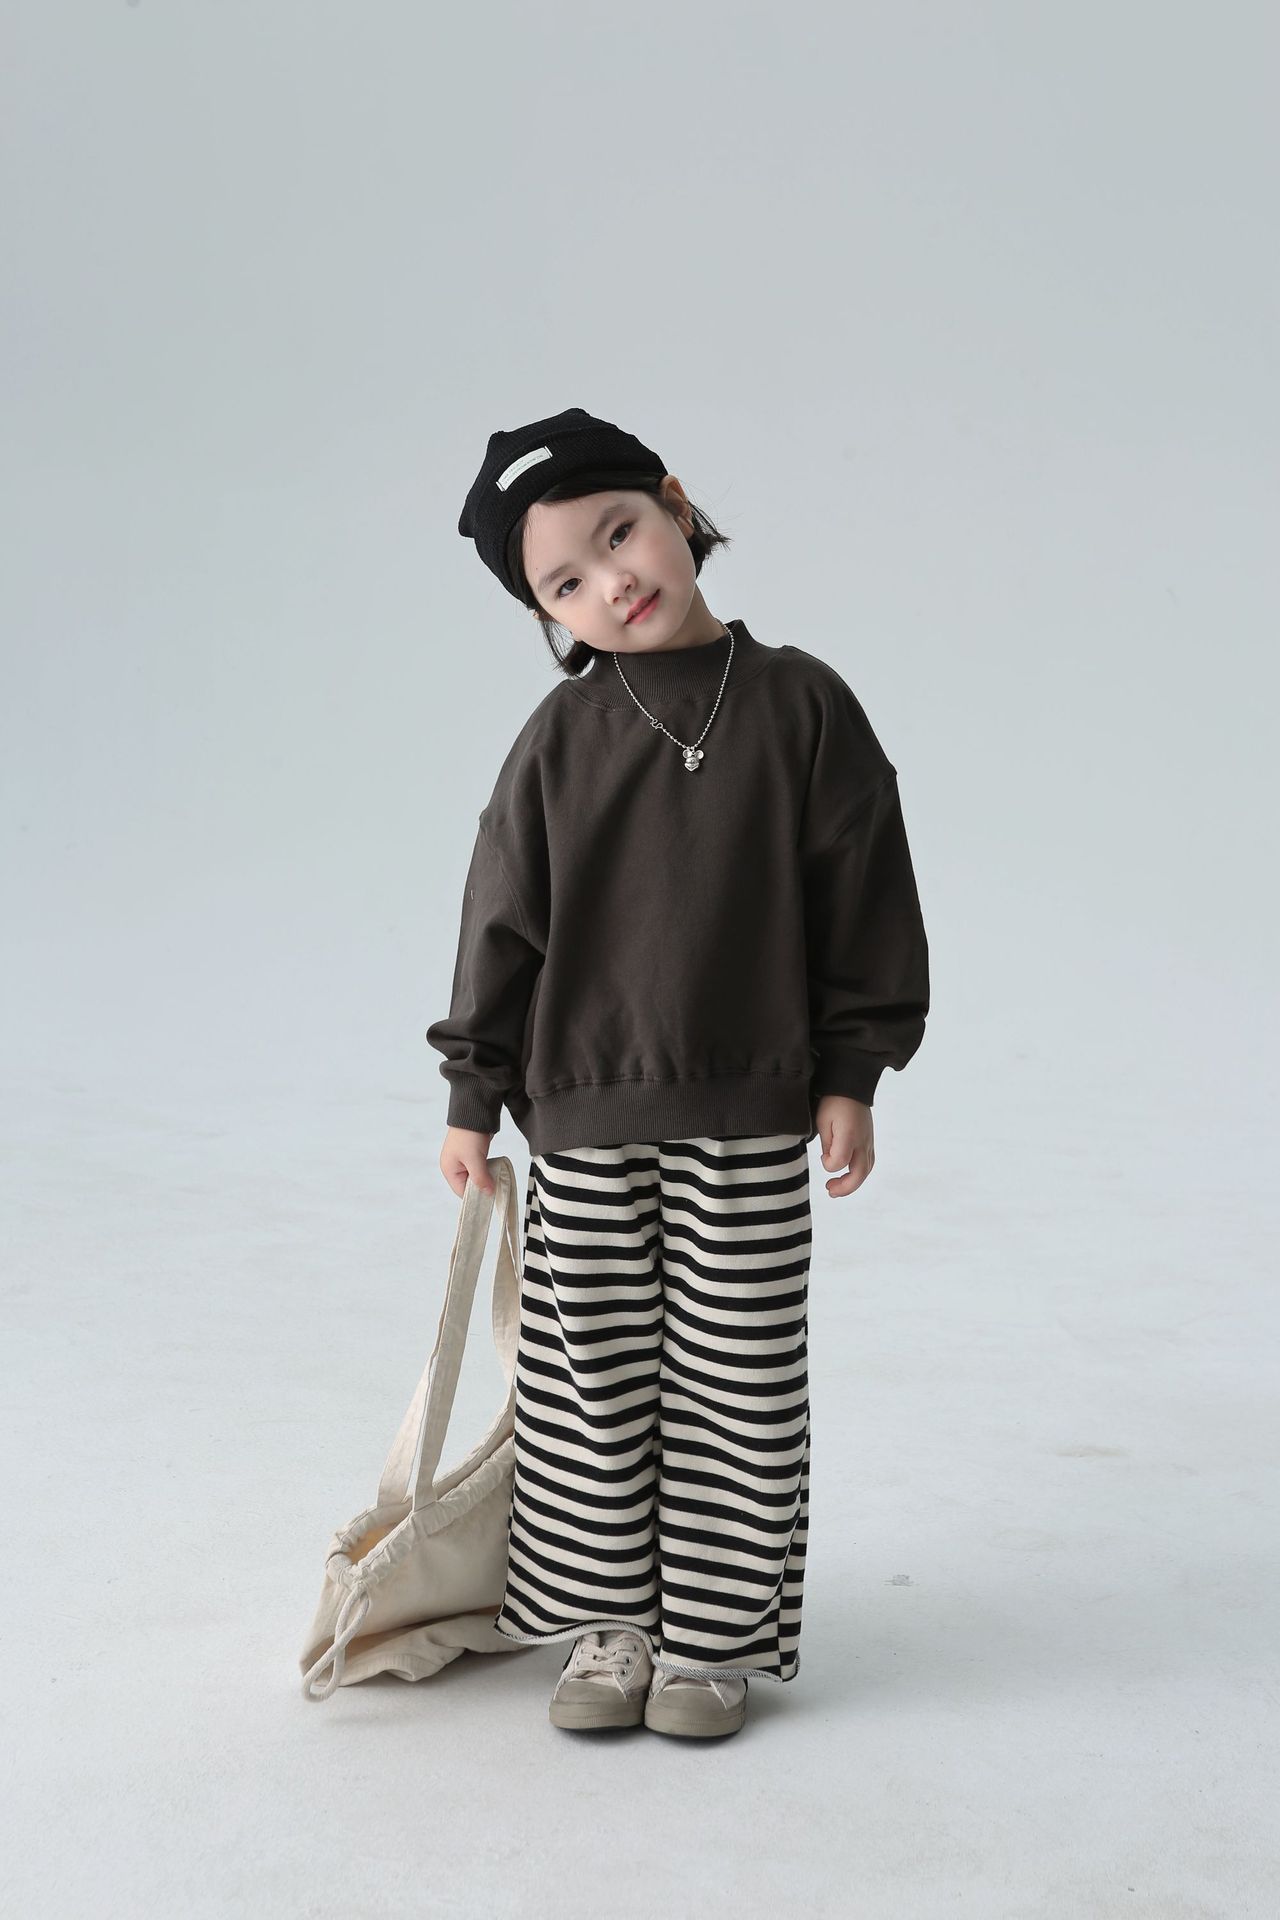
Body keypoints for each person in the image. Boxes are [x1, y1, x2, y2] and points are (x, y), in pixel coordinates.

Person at [426, 405, 930, 1740]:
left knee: (738, 1378)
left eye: (619, 534)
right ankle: (609, 1628)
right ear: (547, 615)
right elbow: (501, 918)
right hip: (583, 1114)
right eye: (565, 584)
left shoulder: (802, 704)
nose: (613, 582)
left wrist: (853, 1072)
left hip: (753, 1107)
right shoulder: (557, 739)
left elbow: (864, 894)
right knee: (589, 1383)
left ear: (674, 502)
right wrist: (474, 1094)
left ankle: (712, 1638)